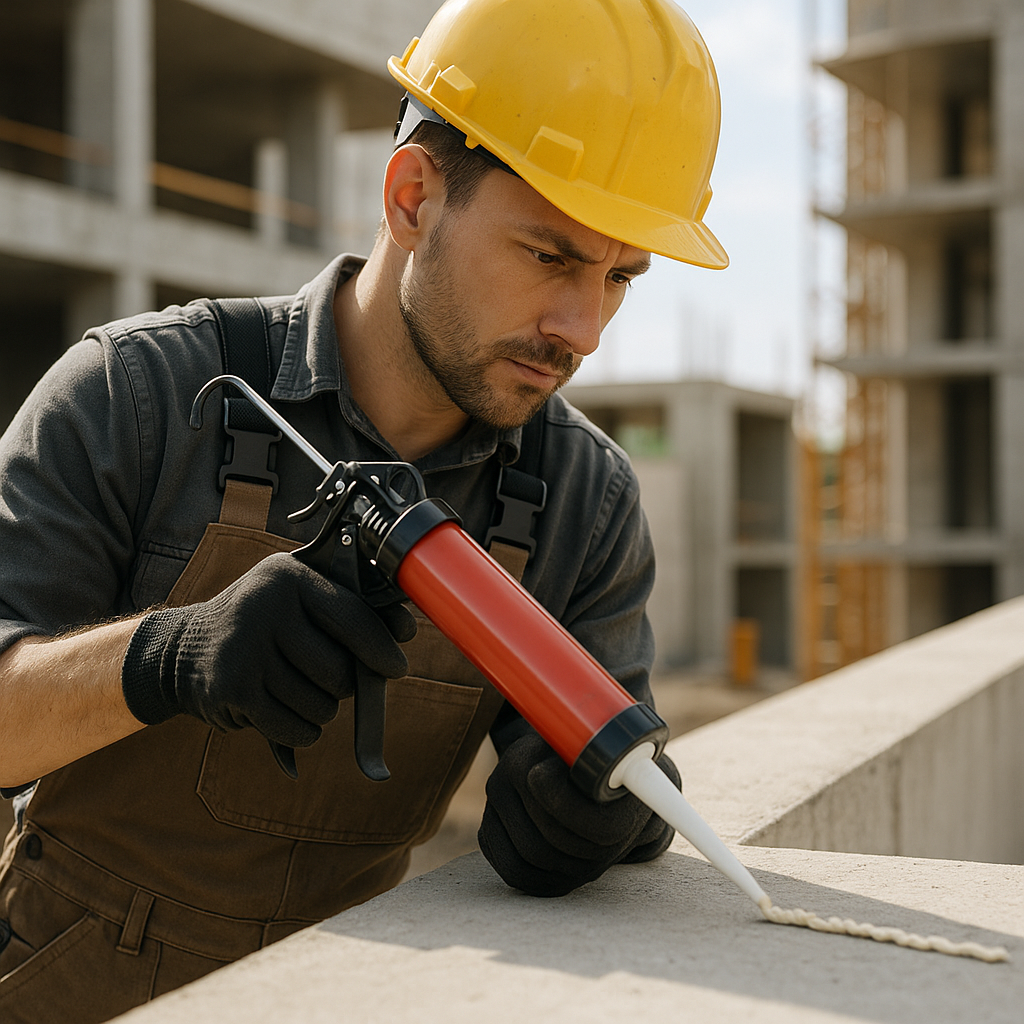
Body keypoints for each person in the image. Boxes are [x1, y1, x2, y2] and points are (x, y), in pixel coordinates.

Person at [0, 0, 727, 1019]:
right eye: (550, 256)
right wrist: (164, 658)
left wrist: (602, 819)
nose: (583, 329)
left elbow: (609, 762)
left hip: (339, 993)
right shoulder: (138, 394)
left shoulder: (582, 503)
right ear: (412, 195)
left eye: (619, 278)